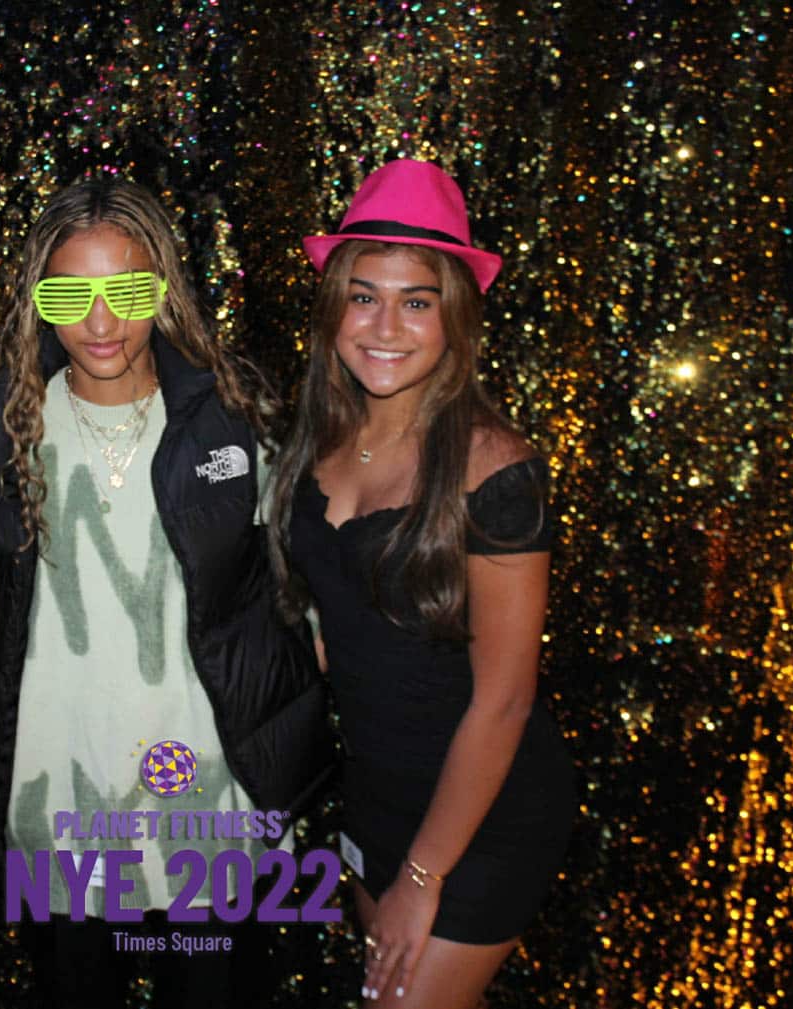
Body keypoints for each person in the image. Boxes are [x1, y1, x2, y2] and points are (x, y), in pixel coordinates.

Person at [0, 178, 334, 1007]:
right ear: (36, 300)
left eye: (126, 291)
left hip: (209, 805)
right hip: (61, 805)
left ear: (162, 288)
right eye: (69, 295)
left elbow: (297, 573)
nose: (99, 321)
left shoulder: (233, 415)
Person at [268, 160, 576, 1008]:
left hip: (481, 813)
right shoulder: (321, 441)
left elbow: (504, 701)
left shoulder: (494, 469)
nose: (384, 327)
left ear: (456, 316)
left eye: (416, 302)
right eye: (363, 296)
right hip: (374, 793)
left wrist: (422, 874)